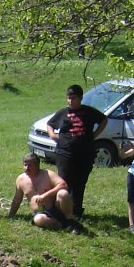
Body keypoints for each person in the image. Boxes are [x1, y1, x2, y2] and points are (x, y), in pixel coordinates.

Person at [46, 84, 107, 218]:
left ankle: (76, 210)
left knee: (80, 183)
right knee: (64, 182)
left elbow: (104, 120)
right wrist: (52, 135)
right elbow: (50, 124)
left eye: (73, 98)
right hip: (65, 154)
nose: (70, 101)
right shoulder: (63, 113)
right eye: (68, 98)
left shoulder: (89, 112)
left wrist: (95, 135)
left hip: (85, 153)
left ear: (80, 98)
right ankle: (61, 210)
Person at [7, 152, 79, 231]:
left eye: (30, 165)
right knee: (39, 220)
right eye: (25, 165)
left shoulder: (47, 174)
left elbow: (63, 185)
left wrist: (45, 195)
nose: (27, 168)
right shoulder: (20, 179)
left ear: (37, 165)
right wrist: (11, 215)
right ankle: (62, 225)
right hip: (41, 213)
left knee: (63, 193)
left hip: (56, 208)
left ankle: (70, 221)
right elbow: (17, 200)